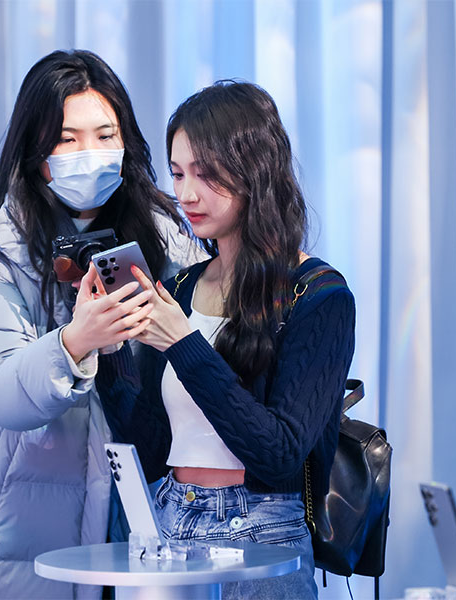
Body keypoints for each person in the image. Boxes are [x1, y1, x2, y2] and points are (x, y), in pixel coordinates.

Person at [0, 49, 204, 599]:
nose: (89, 153)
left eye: (104, 135)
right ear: (36, 151)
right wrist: (75, 344)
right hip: (19, 530)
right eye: (67, 139)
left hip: (149, 506)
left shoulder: (168, 234)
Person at [88, 81, 356, 599]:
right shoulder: (183, 287)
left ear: (255, 169)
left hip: (262, 530)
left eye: (206, 173)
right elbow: (150, 449)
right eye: (177, 173)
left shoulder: (319, 296)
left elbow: (278, 454)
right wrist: (110, 350)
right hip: (168, 522)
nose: (187, 194)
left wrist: (184, 344)